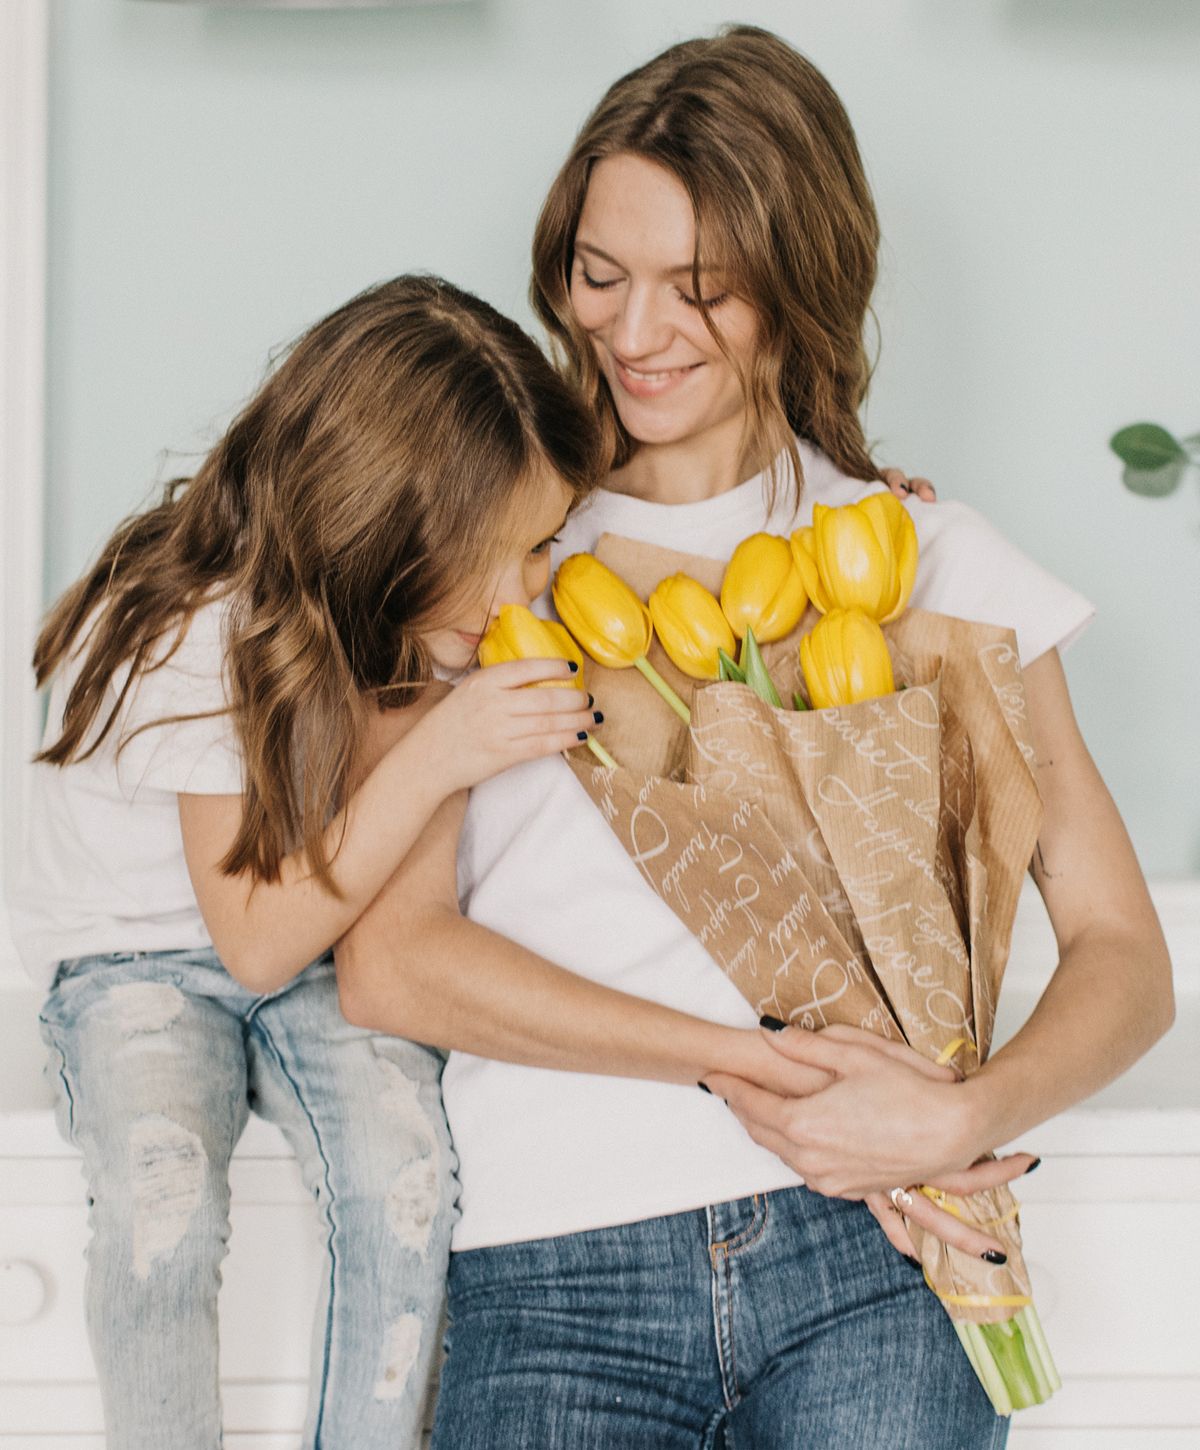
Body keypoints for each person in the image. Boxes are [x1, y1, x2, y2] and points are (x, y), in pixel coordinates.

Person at [336, 28, 1173, 1450]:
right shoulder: (491, 549)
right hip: (553, 1267)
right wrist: (735, 1060)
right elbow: (394, 959)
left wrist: (959, 1112)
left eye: (701, 290)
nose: (634, 330)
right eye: (599, 275)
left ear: (801, 286)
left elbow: (1123, 951)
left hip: (871, 1266)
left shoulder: (924, 555)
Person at [15, 274, 607, 1450]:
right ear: (379, 528)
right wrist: (442, 748)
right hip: (145, 958)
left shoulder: (410, 608)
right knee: (161, 1201)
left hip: (315, 944)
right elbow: (252, 936)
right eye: (505, 554)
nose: (527, 587)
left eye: (540, 545)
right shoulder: (190, 623)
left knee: (405, 1178)